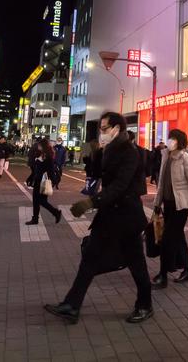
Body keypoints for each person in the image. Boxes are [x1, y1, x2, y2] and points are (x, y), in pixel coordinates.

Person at [46, 112, 153, 324]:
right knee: (90, 257)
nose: (101, 133)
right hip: (109, 214)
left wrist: (91, 202)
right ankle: (71, 305)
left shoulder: (129, 152)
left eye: (104, 129)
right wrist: (95, 154)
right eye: (101, 129)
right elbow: (95, 175)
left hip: (127, 216)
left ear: (116, 129)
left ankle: (145, 304)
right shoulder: (109, 149)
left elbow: (120, 185)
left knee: (136, 262)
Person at [152, 129, 188, 287]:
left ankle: (163, 274)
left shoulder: (185, 158)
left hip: (181, 205)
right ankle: (187, 271)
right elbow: (161, 183)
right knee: (178, 237)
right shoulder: (166, 157)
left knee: (168, 239)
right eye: (170, 138)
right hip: (168, 203)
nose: (170, 141)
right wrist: (156, 204)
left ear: (180, 141)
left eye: (173, 138)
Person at [27, 139, 63, 225]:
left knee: (42, 201)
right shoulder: (41, 154)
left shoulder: (48, 157)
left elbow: (50, 170)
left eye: (39, 145)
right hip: (38, 180)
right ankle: (35, 218)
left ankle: (56, 212)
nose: (38, 146)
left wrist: (53, 181)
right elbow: (36, 169)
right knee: (36, 200)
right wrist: (30, 178)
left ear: (43, 146)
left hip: (43, 182)